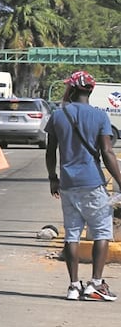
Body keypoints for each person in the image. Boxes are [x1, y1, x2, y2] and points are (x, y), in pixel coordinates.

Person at [45, 71, 121, 301]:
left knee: (72, 235)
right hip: (93, 183)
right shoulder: (99, 117)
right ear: (91, 90)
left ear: (71, 89)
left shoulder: (58, 115)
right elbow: (107, 152)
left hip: (67, 184)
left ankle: (73, 286)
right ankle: (96, 284)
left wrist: (52, 178)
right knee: (101, 233)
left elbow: (50, 152)